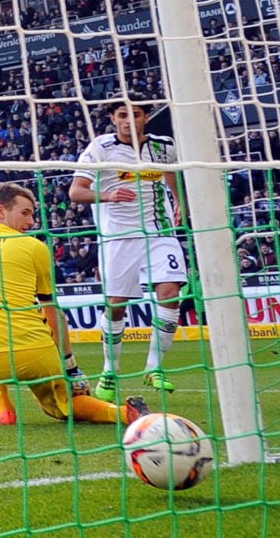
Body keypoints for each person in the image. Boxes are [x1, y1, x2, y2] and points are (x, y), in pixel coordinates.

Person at [0, 183, 150, 426]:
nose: (32, 221)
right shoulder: (32, 246)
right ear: (1, 211)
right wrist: (72, 368)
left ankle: (5, 409)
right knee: (63, 409)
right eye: (25, 213)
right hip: (33, 357)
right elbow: (53, 313)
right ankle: (126, 415)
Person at [69, 102, 186, 403]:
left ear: (145, 117)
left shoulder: (164, 147)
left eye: (134, 114)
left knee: (171, 292)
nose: (128, 120)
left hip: (159, 232)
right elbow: (76, 191)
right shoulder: (100, 149)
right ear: (113, 119)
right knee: (116, 305)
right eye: (121, 115)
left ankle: (154, 367)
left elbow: (169, 173)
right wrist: (108, 195)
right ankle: (110, 370)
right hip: (117, 237)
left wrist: (178, 201)